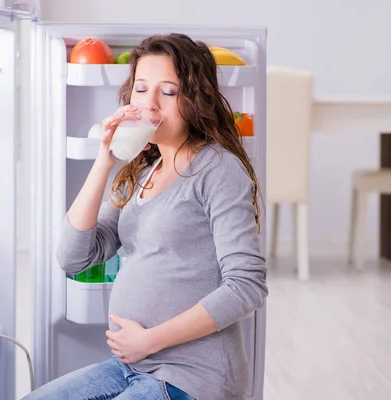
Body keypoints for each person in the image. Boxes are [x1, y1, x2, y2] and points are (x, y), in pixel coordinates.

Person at [23, 33, 268, 400]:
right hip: (134, 367)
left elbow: (246, 285)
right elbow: (74, 256)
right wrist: (103, 161)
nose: (150, 103)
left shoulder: (217, 169)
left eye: (168, 92)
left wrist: (150, 340)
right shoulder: (143, 171)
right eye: (141, 89)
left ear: (195, 99)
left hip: (194, 375)